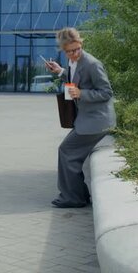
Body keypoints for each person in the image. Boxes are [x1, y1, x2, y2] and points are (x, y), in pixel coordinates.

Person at [44, 27, 116, 208]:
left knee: (67, 151)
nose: (74, 54)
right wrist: (60, 71)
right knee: (68, 152)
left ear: (81, 43)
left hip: (97, 120)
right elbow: (74, 78)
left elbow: (106, 92)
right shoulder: (71, 62)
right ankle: (79, 195)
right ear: (63, 50)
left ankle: (74, 198)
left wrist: (81, 93)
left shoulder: (92, 64)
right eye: (69, 51)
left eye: (77, 49)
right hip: (86, 119)